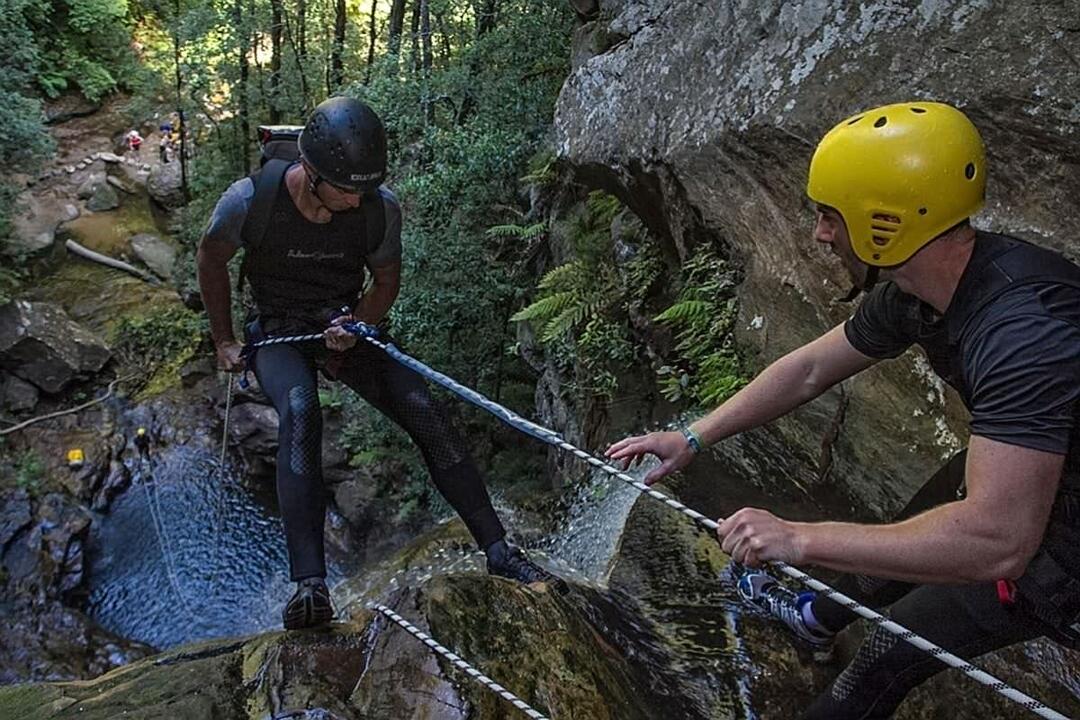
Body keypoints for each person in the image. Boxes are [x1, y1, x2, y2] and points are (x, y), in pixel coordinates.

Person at [606, 101, 1080, 718]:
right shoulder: (926, 290)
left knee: (889, 650)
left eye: (831, 216)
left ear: (887, 223)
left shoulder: (1022, 333)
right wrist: (692, 437)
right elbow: (807, 370)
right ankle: (816, 617)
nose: (821, 233)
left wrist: (798, 539)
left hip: (1063, 538)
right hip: (1046, 460)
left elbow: (998, 543)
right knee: (923, 515)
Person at [196, 96, 561, 631]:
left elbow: (386, 281)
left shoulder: (377, 209)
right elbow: (211, 259)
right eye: (347, 188)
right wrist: (224, 340)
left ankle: (500, 551)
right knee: (300, 411)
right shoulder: (250, 200)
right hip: (278, 330)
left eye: (363, 187)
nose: (357, 197)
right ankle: (310, 588)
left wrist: (357, 324)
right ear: (311, 174)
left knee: (424, 409)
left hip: (343, 324)